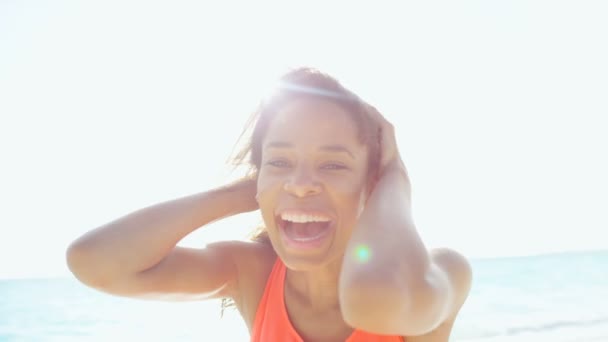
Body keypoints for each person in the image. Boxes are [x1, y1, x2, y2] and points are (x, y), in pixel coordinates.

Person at [66, 67, 472, 342]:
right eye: (278, 161)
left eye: (332, 164)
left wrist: (395, 178)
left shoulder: (442, 273)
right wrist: (255, 190)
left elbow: (374, 299)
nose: (300, 185)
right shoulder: (254, 274)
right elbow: (94, 261)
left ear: (374, 183)